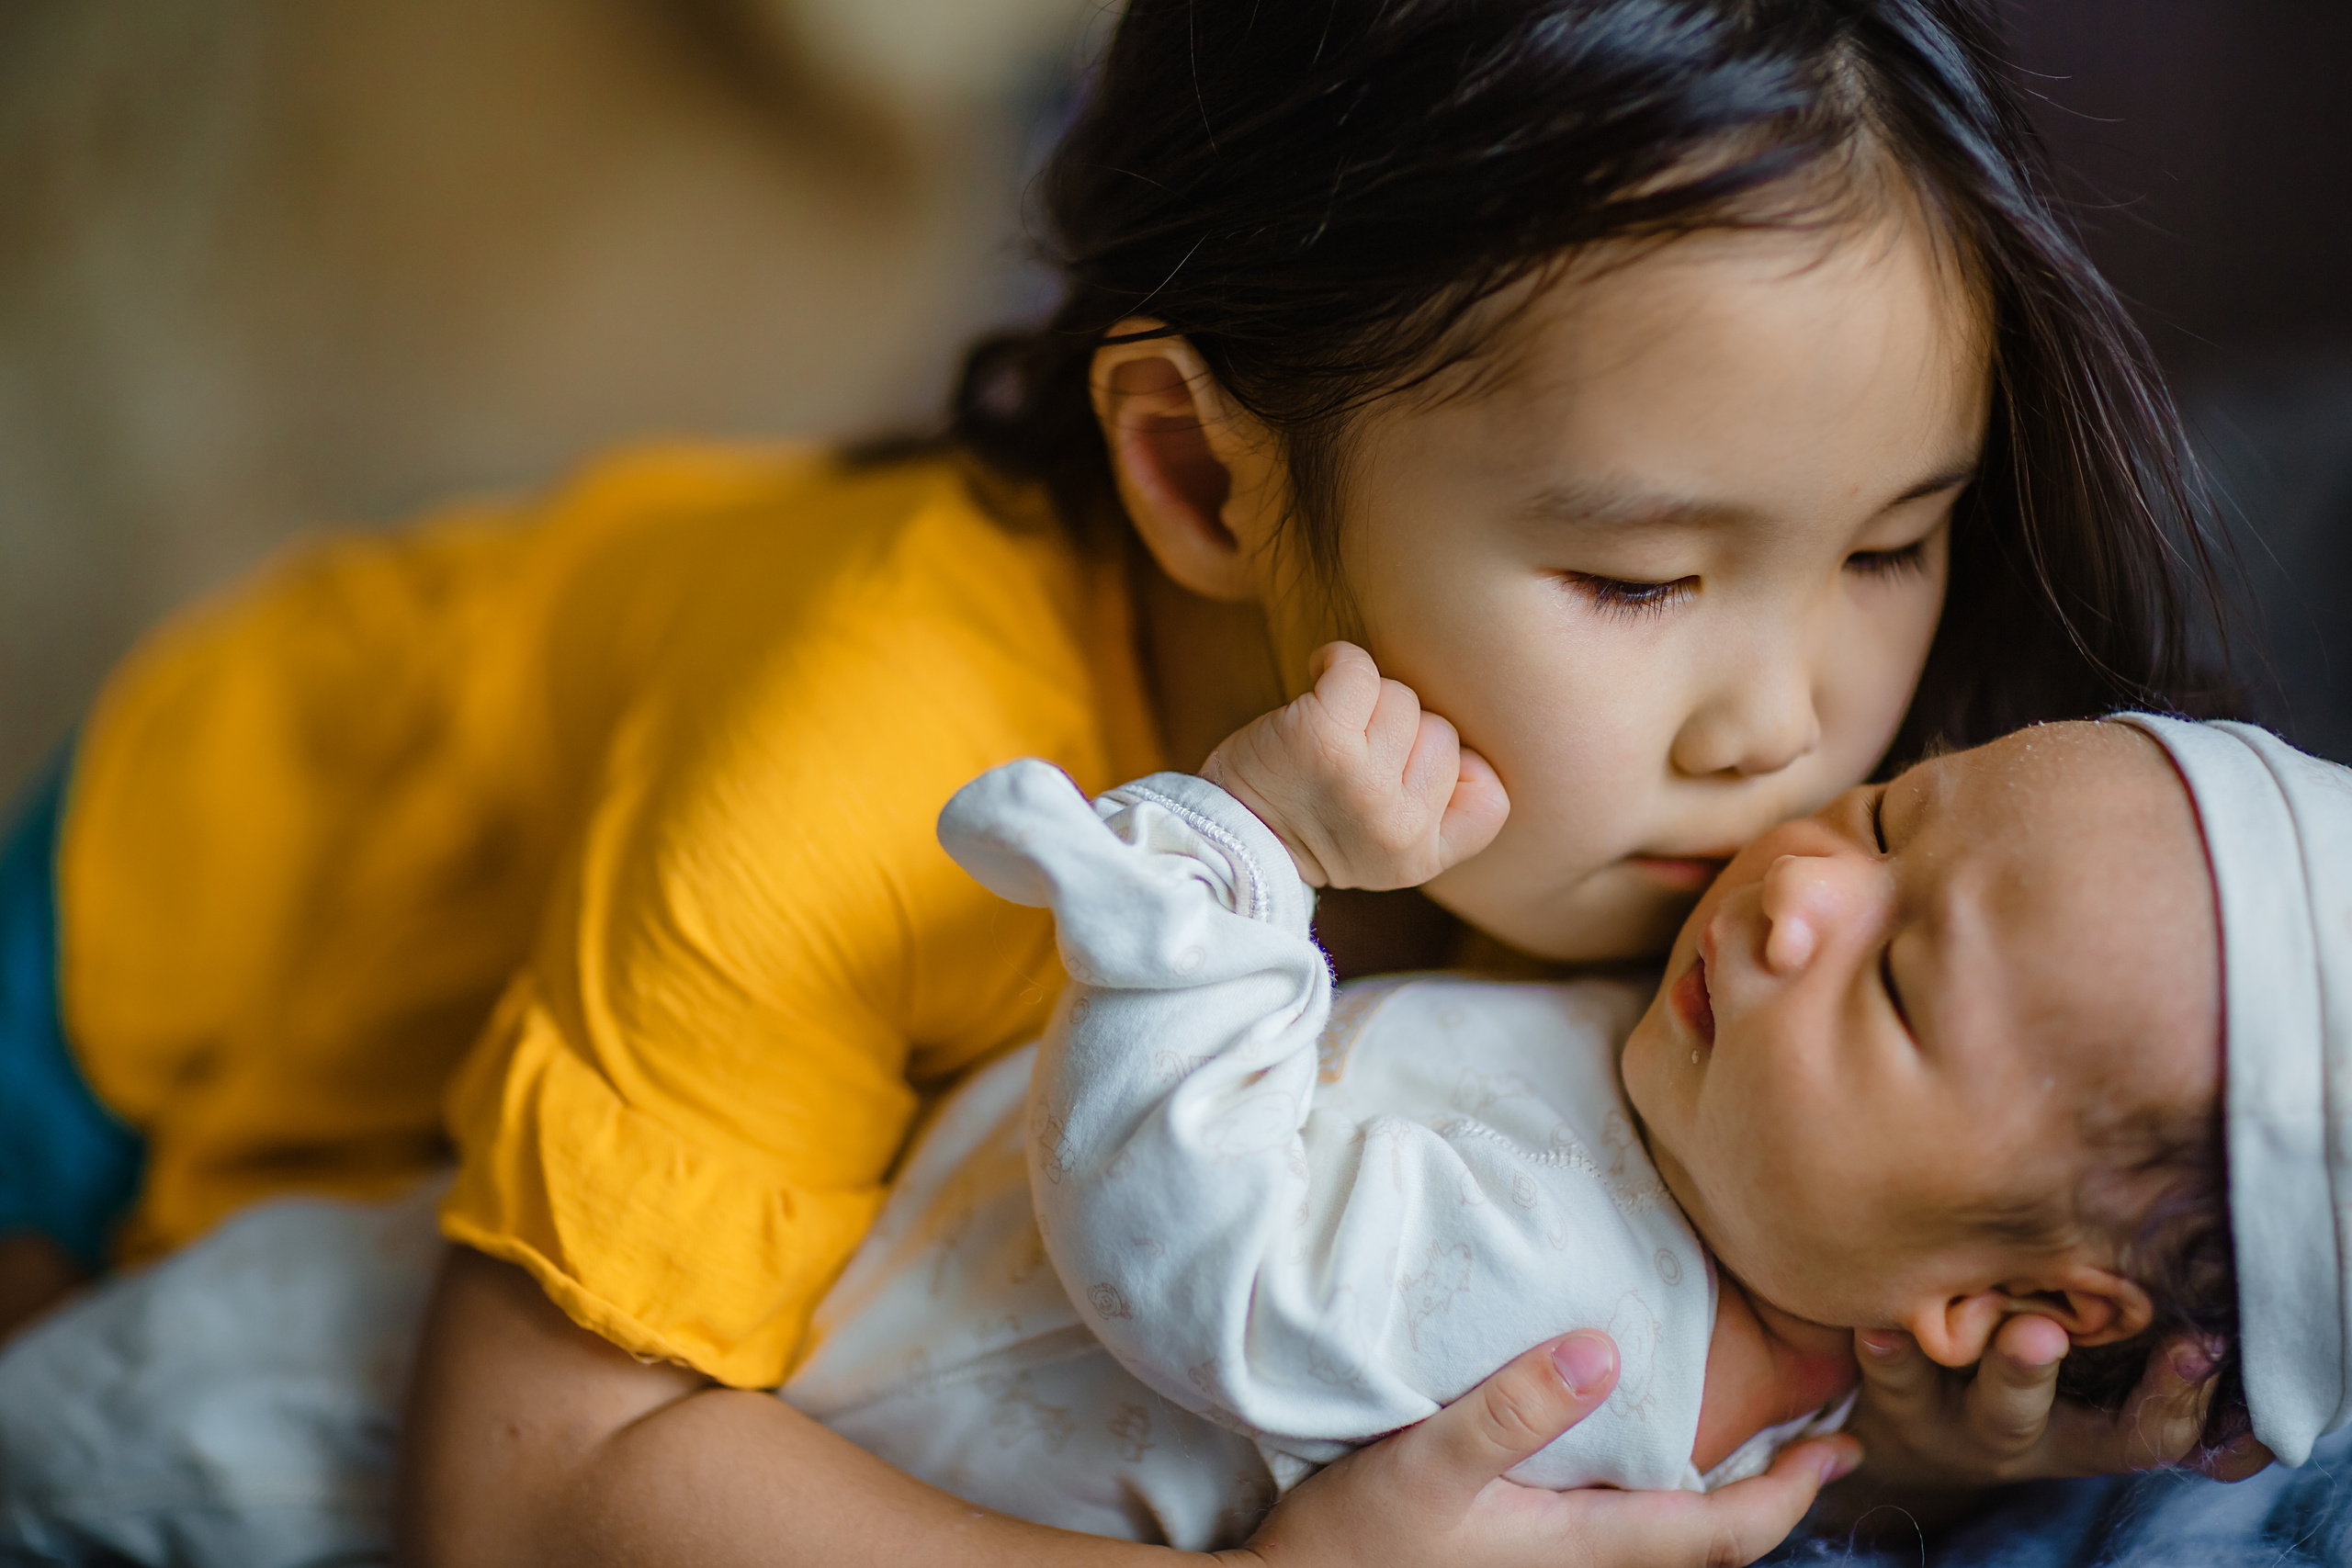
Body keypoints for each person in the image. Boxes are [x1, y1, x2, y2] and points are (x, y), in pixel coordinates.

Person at [0, 1, 2247, 1563]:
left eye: (1888, 542)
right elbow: (513, 1488)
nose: (1788, 724)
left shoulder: (1756, 822)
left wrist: (1893, 1435)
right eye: (1636, 573)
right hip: (180, 947)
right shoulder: (867, 766)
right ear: (1195, 472)